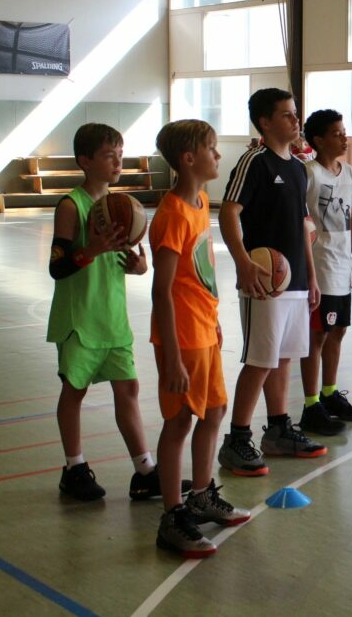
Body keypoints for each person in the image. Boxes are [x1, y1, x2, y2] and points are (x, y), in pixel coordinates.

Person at [46, 123, 162, 501]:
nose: (118, 162)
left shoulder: (120, 207)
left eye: (120, 154)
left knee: (128, 389)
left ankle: (145, 471)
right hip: (79, 318)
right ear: (85, 161)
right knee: (74, 390)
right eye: (109, 155)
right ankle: (74, 467)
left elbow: (123, 261)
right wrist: (92, 249)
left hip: (113, 317)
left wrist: (138, 267)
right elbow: (57, 267)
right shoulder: (71, 205)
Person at [151, 119, 250, 558]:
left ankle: (202, 494)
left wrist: (214, 319)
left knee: (215, 411)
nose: (218, 154)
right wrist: (172, 357)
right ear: (189, 159)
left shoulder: (202, 201)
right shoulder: (172, 214)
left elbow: (200, 273)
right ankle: (172, 516)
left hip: (204, 329)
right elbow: (162, 290)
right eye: (212, 148)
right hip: (182, 338)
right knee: (179, 422)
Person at [217, 88, 328, 478]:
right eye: (287, 114)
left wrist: (311, 278)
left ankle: (278, 429)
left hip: (295, 280)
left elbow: (301, 227)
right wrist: (243, 261)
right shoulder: (254, 162)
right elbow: (229, 212)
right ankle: (237, 439)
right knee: (260, 359)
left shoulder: (298, 167)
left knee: (283, 357)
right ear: (265, 122)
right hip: (263, 280)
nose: (296, 120)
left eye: (296, 113)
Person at [299, 110, 352, 431]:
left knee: (338, 331)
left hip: (342, 264)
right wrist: (308, 271)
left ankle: (329, 394)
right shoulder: (309, 174)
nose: (344, 137)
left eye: (344, 131)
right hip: (321, 265)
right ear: (318, 140)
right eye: (337, 133)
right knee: (318, 335)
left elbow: (350, 218)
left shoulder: (349, 173)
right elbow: (302, 223)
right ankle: (311, 404)